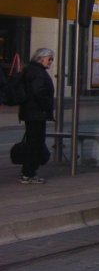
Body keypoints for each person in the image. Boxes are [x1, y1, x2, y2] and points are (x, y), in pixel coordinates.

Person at [17, 48, 55, 184]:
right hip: (36, 113)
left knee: (33, 142)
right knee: (35, 143)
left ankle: (28, 172)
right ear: (41, 58)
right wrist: (47, 106)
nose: (51, 62)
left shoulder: (31, 69)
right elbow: (38, 91)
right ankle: (28, 173)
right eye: (49, 59)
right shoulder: (38, 72)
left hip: (30, 113)